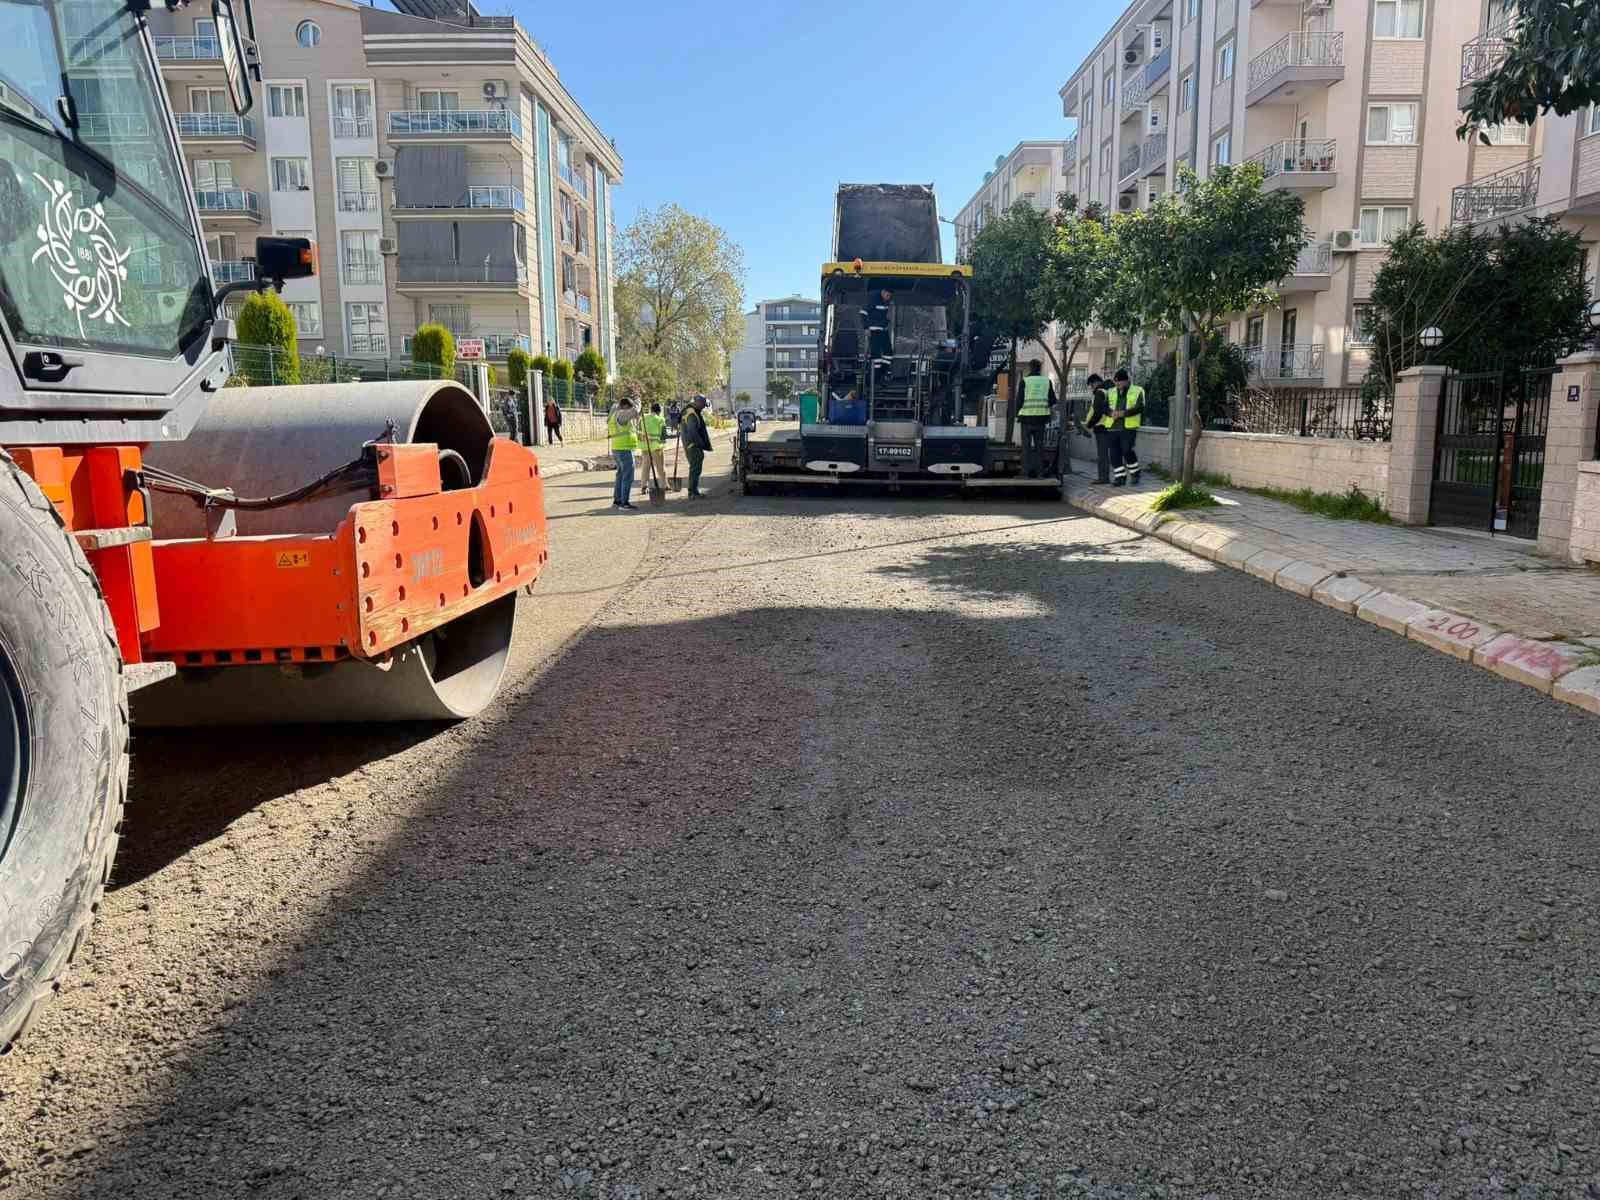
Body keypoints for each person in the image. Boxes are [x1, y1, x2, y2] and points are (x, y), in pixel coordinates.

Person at [1016, 359, 1057, 479]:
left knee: (1026, 448)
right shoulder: (1046, 381)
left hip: (1026, 419)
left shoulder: (1025, 381)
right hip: (1041, 419)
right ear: (1039, 368)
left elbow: (1019, 400)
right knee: (1040, 448)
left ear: (1030, 368)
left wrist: (1017, 414)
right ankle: (1040, 474)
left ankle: (1025, 473)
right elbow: (1053, 400)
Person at [1106, 367, 1145, 486]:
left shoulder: (1138, 390)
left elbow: (1140, 407)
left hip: (1128, 427)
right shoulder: (1111, 391)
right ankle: (1120, 477)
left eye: (1120, 381)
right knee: (1114, 454)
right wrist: (1110, 413)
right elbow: (1104, 407)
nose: (1117, 384)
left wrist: (1124, 413)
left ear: (1127, 381)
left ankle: (1135, 473)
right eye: (1116, 381)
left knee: (1127, 450)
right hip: (1112, 426)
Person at [1079, 373, 1112, 484]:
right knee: (1105, 454)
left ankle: (1103, 478)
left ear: (1096, 382)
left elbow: (1098, 412)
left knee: (1102, 455)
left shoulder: (1100, 392)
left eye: (1091, 385)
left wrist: (1088, 426)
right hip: (1108, 426)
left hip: (1101, 428)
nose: (1091, 388)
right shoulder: (1108, 392)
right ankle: (1105, 477)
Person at [679, 393, 713, 499]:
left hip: (692, 445)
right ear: (698, 402)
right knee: (695, 469)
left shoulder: (691, 411)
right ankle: (692, 492)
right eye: (703, 405)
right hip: (693, 445)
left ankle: (694, 491)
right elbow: (693, 432)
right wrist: (700, 444)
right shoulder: (691, 414)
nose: (703, 407)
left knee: (695, 468)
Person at [607, 398, 639, 510]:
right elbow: (635, 412)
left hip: (617, 448)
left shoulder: (613, 414)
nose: (630, 410)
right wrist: (638, 401)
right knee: (627, 477)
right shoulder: (621, 415)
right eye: (629, 408)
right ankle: (624, 503)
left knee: (620, 475)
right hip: (624, 450)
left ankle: (617, 500)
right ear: (625, 407)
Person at [637, 401, 668, 496]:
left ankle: (644, 487)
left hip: (645, 447)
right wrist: (662, 444)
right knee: (660, 467)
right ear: (659, 411)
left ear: (651, 410)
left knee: (645, 467)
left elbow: (639, 433)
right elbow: (663, 437)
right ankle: (664, 485)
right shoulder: (660, 419)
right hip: (656, 447)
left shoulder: (642, 418)